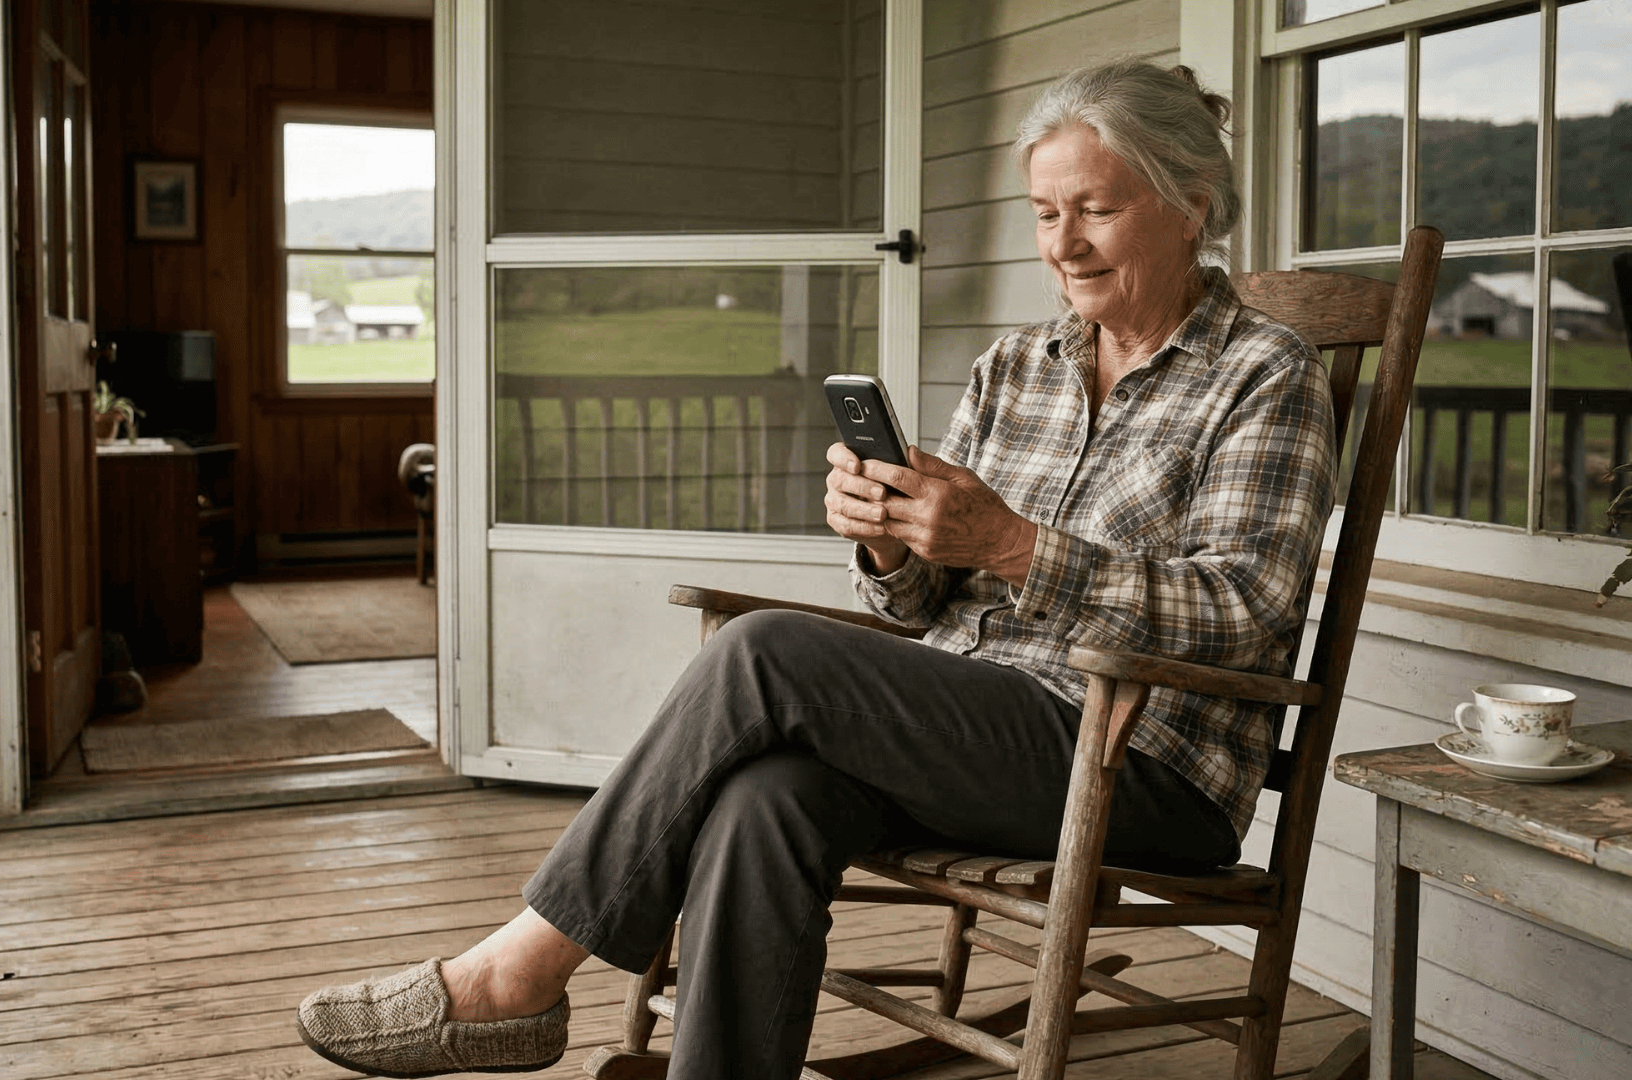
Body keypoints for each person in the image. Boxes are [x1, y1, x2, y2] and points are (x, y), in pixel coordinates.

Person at [293, 57, 1336, 1080]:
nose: (1062, 244)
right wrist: (891, 539)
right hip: (988, 730)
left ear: (1192, 204)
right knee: (771, 795)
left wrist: (1012, 543)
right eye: (1043, 212)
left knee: (766, 654)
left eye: (1095, 211)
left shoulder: (1266, 375)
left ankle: (517, 976)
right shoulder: (1020, 365)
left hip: (1142, 765)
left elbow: (1245, 608)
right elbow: (926, 605)